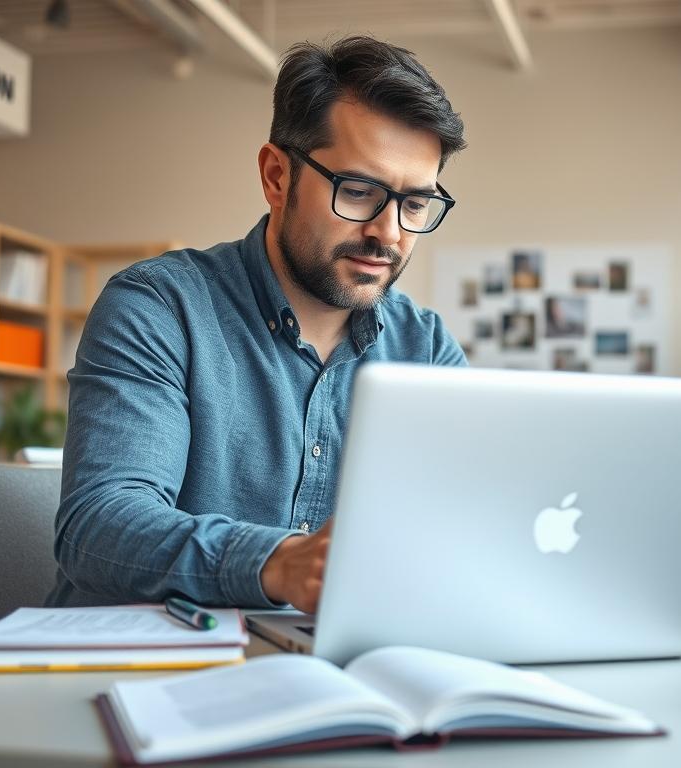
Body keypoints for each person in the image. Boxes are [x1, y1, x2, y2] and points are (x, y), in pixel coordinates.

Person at [48, 36, 467, 614]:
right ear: (276, 177)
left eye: (415, 204)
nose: (389, 233)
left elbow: (460, 523)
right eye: (359, 190)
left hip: (322, 666)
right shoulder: (158, 307)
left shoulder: (426, 350)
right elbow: (99, 526)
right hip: (144, 667)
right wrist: (278, 564)